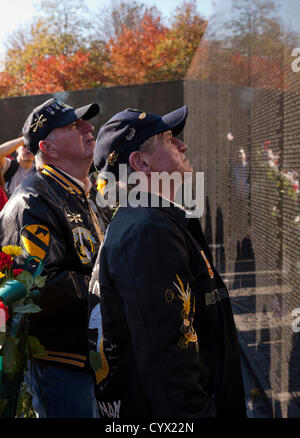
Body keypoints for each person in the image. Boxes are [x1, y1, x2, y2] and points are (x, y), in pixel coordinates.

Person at [88, 106, 247, 419]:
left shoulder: (149, 221)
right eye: (169, 139)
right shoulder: (148, 231)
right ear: (141, 162)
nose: (183, 146)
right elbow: (168, 368)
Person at [0, 97, 109, 418]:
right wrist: (119, 287)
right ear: (47, 146)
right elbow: (39, 289)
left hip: (94, 357)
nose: (89, 127)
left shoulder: (83, 191)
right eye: (74, 125)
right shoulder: (30, 201)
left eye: (84, 122)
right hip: (63, 366)